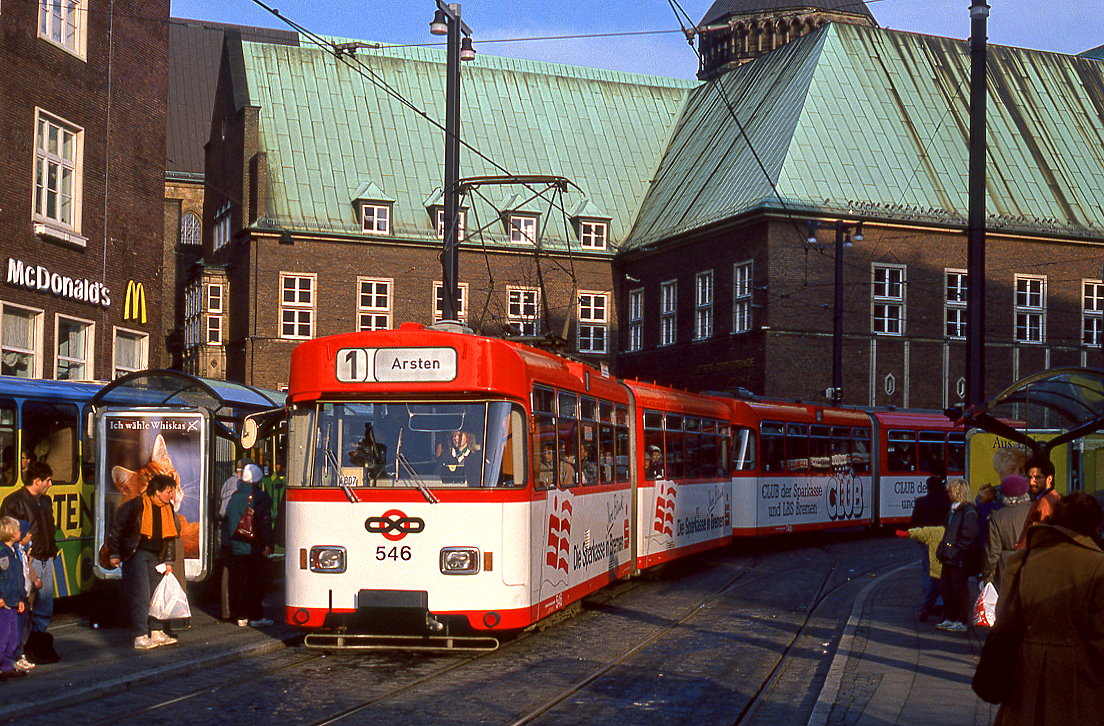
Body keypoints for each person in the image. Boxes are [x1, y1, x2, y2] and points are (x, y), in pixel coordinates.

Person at [992, 492, 1104, 725]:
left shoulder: (1021, 561)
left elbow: (1004, 621)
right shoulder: (1098, 565)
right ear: (1095, 525)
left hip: (1025, 671)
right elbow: (1099, 634)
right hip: (1078, 676)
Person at [106, 474, 181, 650]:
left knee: (157, 596)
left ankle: (156, 631)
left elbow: (170, 538)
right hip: (137, 554)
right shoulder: (135, 506)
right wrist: (114, 553)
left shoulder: (167, 508)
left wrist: (169, 561)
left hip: (156, 557)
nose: (171, 496)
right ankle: (140, 635)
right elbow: (118, 529)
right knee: (141, 595)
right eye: (168, 492)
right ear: (157, 491)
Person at [0, 461, 57, 659]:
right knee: (22, 604)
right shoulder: (13, 501)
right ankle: (19, 649)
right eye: (48, 480)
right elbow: (7, 534)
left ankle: (37, 645)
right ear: (36, 481)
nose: (50, 484)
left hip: (46, 557)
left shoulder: (45, 501)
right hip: (27, 560)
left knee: (44, 605)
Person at [223, 463, 273, 628]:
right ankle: (256, 616)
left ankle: (240, 616)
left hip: (236, 545)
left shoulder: (235, 496)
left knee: (238, 581)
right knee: (255, 582)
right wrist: (267, 543)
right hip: (254, 546)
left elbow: (227, 517)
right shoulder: (260, 497)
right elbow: (264, 523)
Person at [935, 478, 979, 633]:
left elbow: (968, 536)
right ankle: (950, 617)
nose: (948, 493)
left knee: (959, 591)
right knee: (948, 589)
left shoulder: (968, 511)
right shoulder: (953, 510)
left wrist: (954, 551)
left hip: (959, 559)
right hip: (950, 558)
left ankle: (961, 620)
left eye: (950, 490)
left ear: (958, 492)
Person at [983, 474, 1032, 594]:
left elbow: (992, 553)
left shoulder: (997, 516)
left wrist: (988, 579)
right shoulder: (1035, 510)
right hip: (1033, 565)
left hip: (1007, 568)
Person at [896, 524, 945, 622]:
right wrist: (909, 533)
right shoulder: (943, 530)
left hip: (939, 568)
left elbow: (925, 532)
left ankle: (928, 609)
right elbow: (925, 532)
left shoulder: (938, 531)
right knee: (940, 590)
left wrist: (909, 533)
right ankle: (940, 611)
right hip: (943, 569)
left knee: (934, 589)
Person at [0, 516, 27, 679]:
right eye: (17, 529)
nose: (20, 532)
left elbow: (18, 577)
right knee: (2, 635)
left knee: (12, 636)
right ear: (10, 533)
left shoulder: (14, 551)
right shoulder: (2, 553)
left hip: (14, 599)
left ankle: (7, 665)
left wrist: (21, 598)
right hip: (4, 601)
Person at [1015, 456, 1060, 549]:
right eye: (1029, 477)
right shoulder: (1049, 498)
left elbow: (1040, 537)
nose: (1031, 482)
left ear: (1049, 479)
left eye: (1037, 477)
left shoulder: (1045, 502)